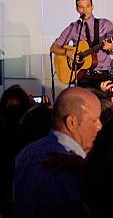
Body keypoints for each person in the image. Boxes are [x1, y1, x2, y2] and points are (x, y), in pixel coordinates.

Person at [14, 87, 102, 217]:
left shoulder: (27, 153)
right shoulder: (67, 168)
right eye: (94, 120)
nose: (100, 126)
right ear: (71, 122)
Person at [50, 0, 113, 88]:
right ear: (77, 9)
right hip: (82, 75)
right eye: (81, 7)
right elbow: (53, 48)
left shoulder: (105, 24)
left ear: (92, 7)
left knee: (103, 102)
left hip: (102, 75)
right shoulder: (73, 27)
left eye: (88, 6)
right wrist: (67, 52)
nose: (85, 10)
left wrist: (112, 47)